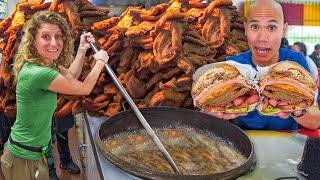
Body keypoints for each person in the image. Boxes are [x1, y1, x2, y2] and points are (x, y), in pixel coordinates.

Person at [0, 10, 109, 180]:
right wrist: (100, 62)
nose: (54, 43)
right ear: (33, 41)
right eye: (46, 36)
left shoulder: (45, 64)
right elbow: (84, 89)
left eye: (58, 36)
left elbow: (71, 76)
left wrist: (82, 49)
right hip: (23, 157)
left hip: (36, 154)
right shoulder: (39, 73)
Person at [207, 0, 320, 130]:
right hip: (246, 141)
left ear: (283, 30)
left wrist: (296, 109)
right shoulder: (234, 65)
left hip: (287, 140)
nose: (262, 38)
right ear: (245, 29)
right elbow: (216, 118)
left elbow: (315, 121)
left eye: (271, 28)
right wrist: (212, 114)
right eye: (255, 27)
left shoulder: (295, 62)